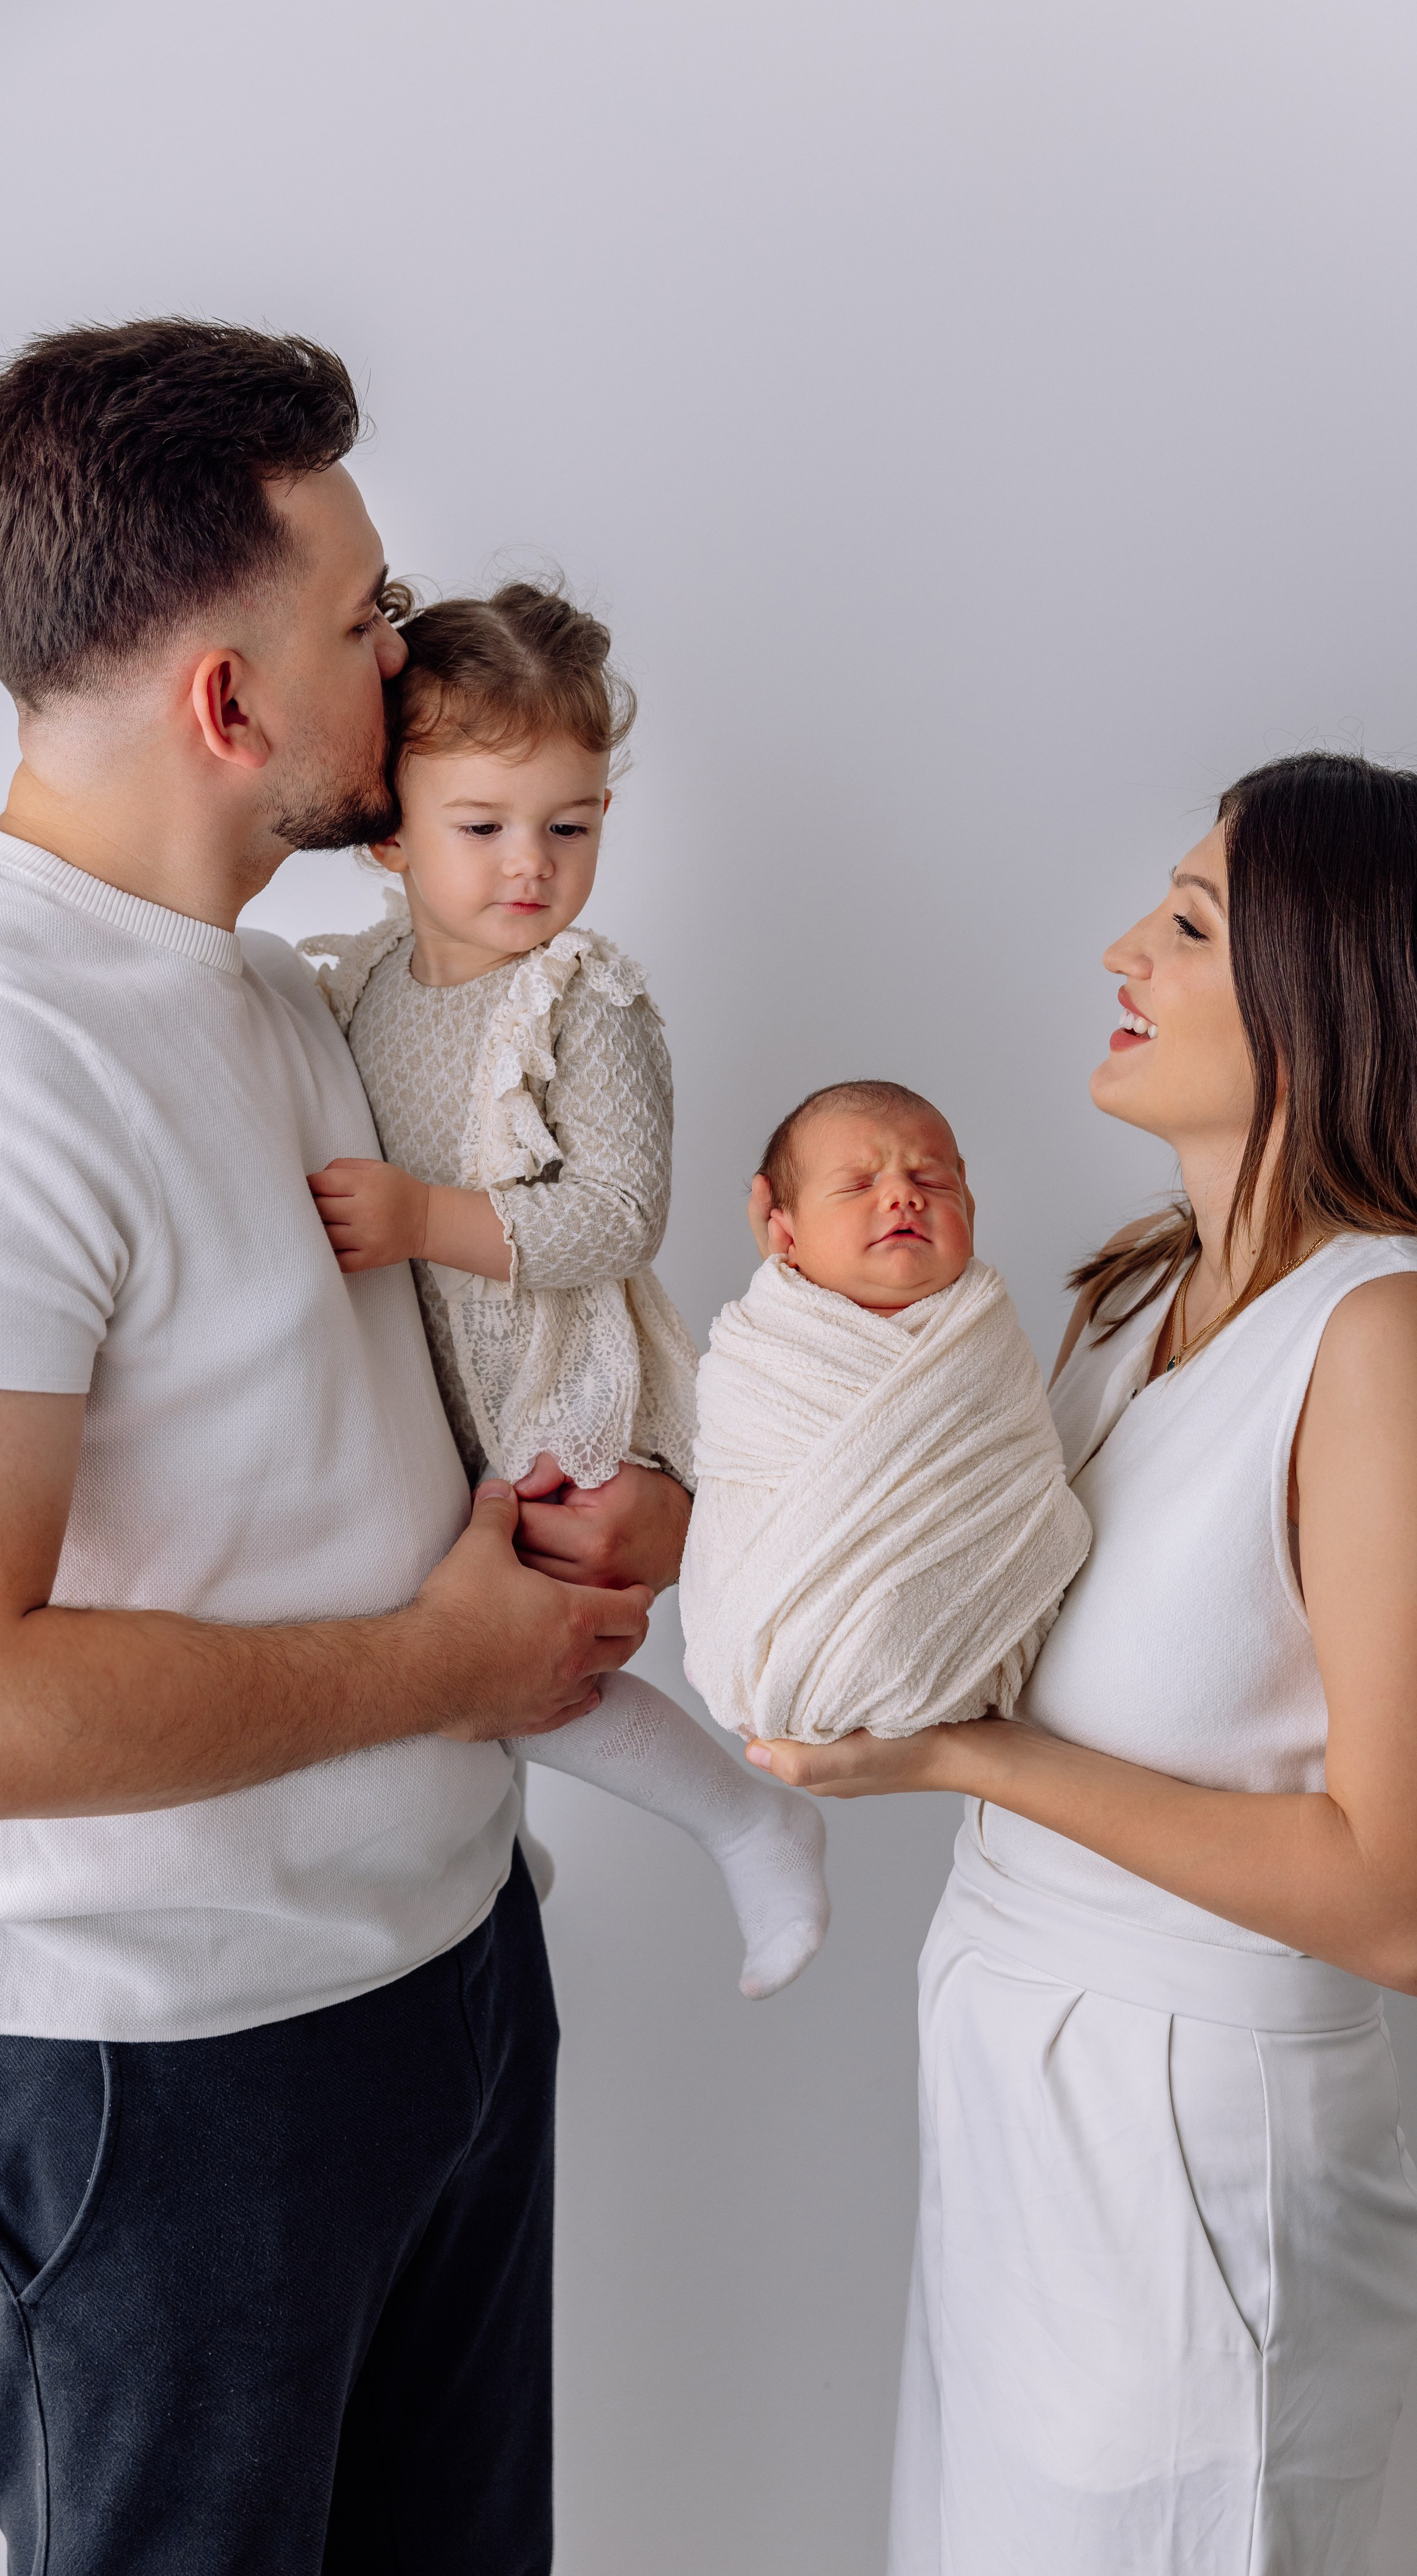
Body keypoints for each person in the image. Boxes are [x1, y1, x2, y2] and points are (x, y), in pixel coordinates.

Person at [0, 319, 687, 2576]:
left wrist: (625, 1497)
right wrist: (442, 1668)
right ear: (231, 709)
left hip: (435, 1986)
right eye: (365, 615)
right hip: (167, 2090)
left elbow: (417, 1391)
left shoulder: (274, 982)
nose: (407, 647)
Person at [746, 752, 1417, 2574]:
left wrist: (969, 1759)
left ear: (1342, 990)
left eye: (1195, 921)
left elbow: (1416, 1903)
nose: (1127, 944)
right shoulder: (1135, 1295)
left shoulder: (1394, 1337)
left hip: (1191, 2166)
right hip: (1018, 2091)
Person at [298, 585, 829, 1999]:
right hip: (427, 1384)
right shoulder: (355, 987)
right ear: (389, 829)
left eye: (571, 825)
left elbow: (613, 1212)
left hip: (546, 1370)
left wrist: (421, 1216)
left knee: (525, 1628)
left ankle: (745, 1815)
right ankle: (491, 1843)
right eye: (483, 826)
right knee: (433, 1620)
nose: (530, 866)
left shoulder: (582, 998)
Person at [679, 1080, 1089, 1743]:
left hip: (981, 1649)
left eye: (931, 1179)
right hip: (780, 1646)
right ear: (783, 1229)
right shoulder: (764, 1348)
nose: (902, 1196)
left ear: (972, 1209)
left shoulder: (982, 1340)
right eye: (856, 1185)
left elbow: (1016, 1474)